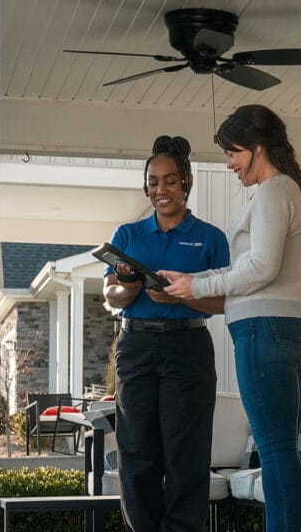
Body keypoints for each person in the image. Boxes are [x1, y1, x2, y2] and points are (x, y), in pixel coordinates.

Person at [161, 105, 301, 532]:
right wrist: (192, 278)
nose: (230, 163)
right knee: (283, 450)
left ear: (256, 147)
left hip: (264, 328)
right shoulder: (289, 190)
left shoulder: (274, 191)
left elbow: (260, 269)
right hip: (291, 326)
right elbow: (251, 266)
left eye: (233, 152)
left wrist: (197, 289)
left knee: (274, 451)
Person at [102, 135, 230, 532]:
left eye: (170, 181)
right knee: (137, 450)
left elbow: (224, 301)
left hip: (188, 345)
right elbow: (112, 295)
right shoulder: (127, 236)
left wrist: (181, 298)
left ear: (186, 182)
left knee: (185, 452)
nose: (161, 190)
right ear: (146, 187)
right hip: (135, 346)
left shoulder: (211, 238)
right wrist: (130, 285)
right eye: (154, 182)